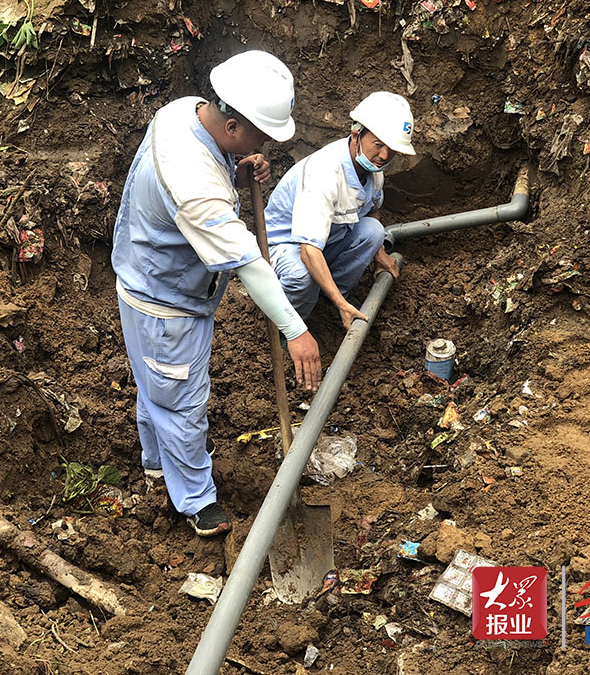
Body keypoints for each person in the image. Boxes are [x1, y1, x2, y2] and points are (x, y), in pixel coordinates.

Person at [111, 51, 322, 537]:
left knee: (155, 385)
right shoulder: (195, 187)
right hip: (169, 304)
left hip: (142, 276)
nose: (267, 142)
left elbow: (209, 163)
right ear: (231, 123)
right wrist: (296, 330)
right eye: (260, 135)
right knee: (181, 402)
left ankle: (155, 464)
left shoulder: (184, 111)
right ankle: (196, 502)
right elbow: (249, 262)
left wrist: (236, 166)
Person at [264, 92, 415, 329]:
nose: (384, 156)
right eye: (378, 145)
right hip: (286, 247)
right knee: (301, 277)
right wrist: (341, 304)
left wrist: (379, 253)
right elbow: (308, 252)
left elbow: (372, 210)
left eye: (392, 149)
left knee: (374, 232)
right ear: (356, 134)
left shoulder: (373, 172)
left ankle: (328, 295)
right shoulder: (325, 174)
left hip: (326, 241)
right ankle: (289, 326)